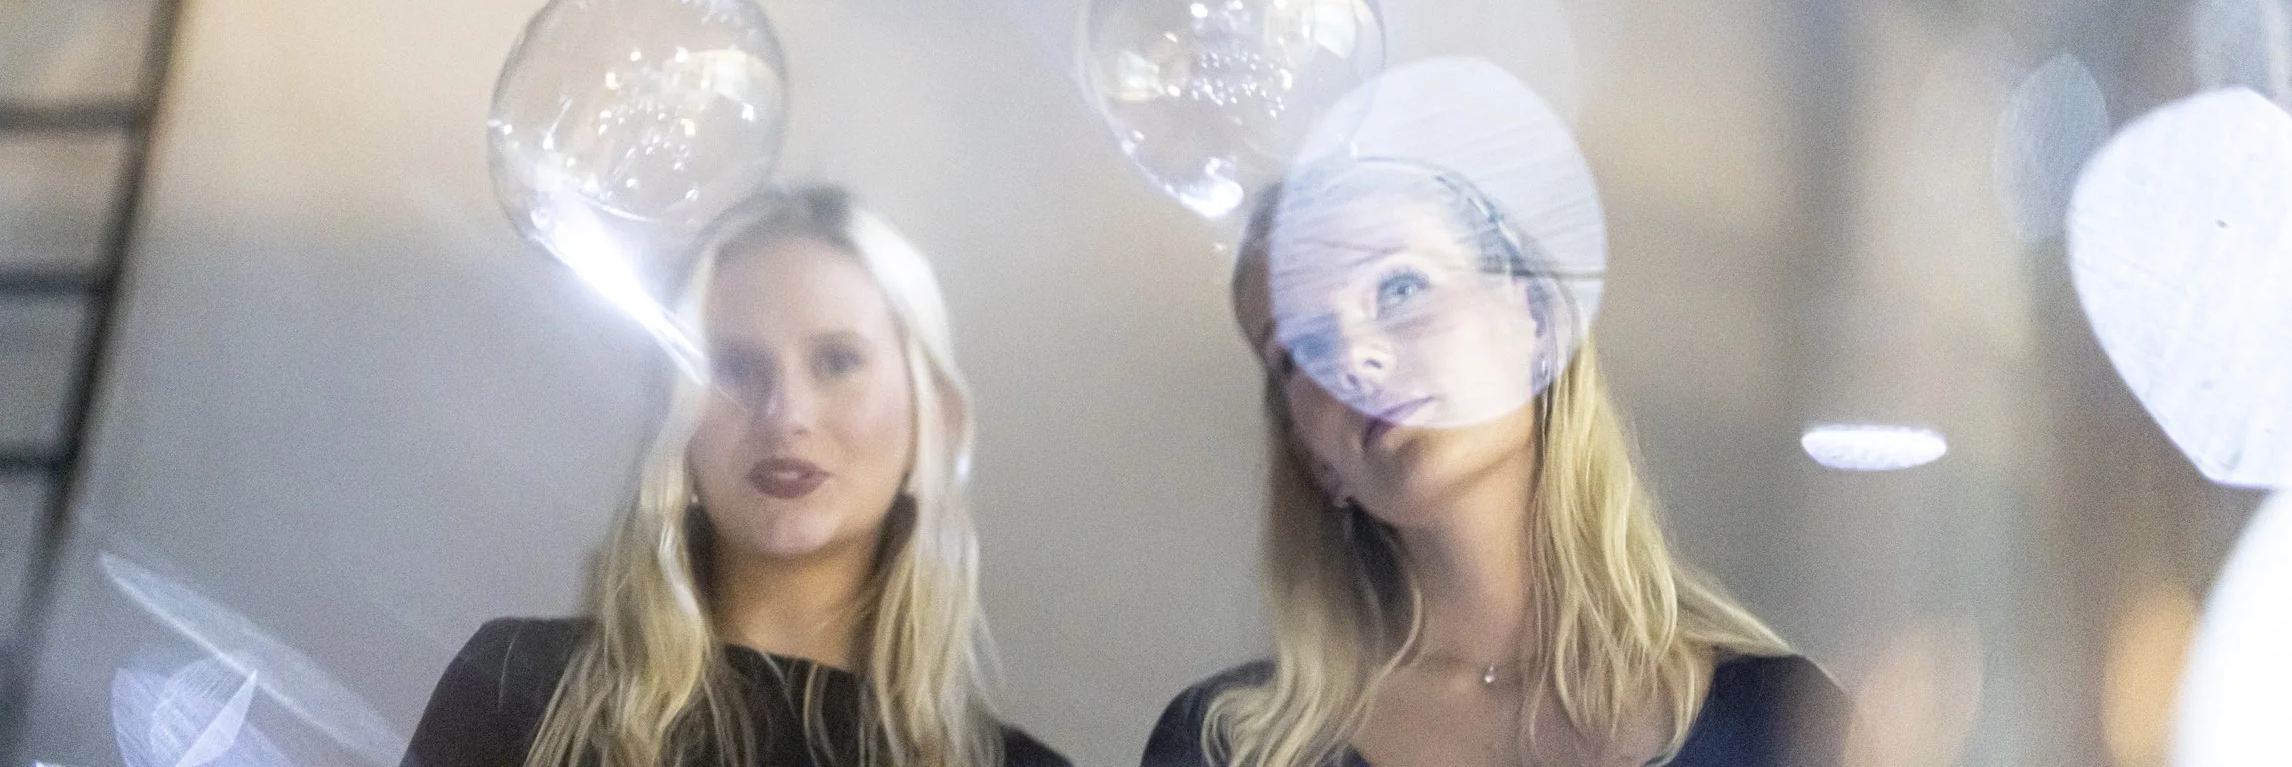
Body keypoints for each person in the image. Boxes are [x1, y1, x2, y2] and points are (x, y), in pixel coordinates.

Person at [1145, 162, 1847, 767]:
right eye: (1301, 351)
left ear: (1534, 321)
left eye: (1397, 289)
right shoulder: (1227, 746)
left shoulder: (1783, 723)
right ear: (1312, 456)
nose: (1356, 358)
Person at [407, 185, 1068, 767]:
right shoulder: (516, 689)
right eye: (733, 367)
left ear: (934, 420)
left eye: (838, 361)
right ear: (679, 421)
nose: (785, 415)